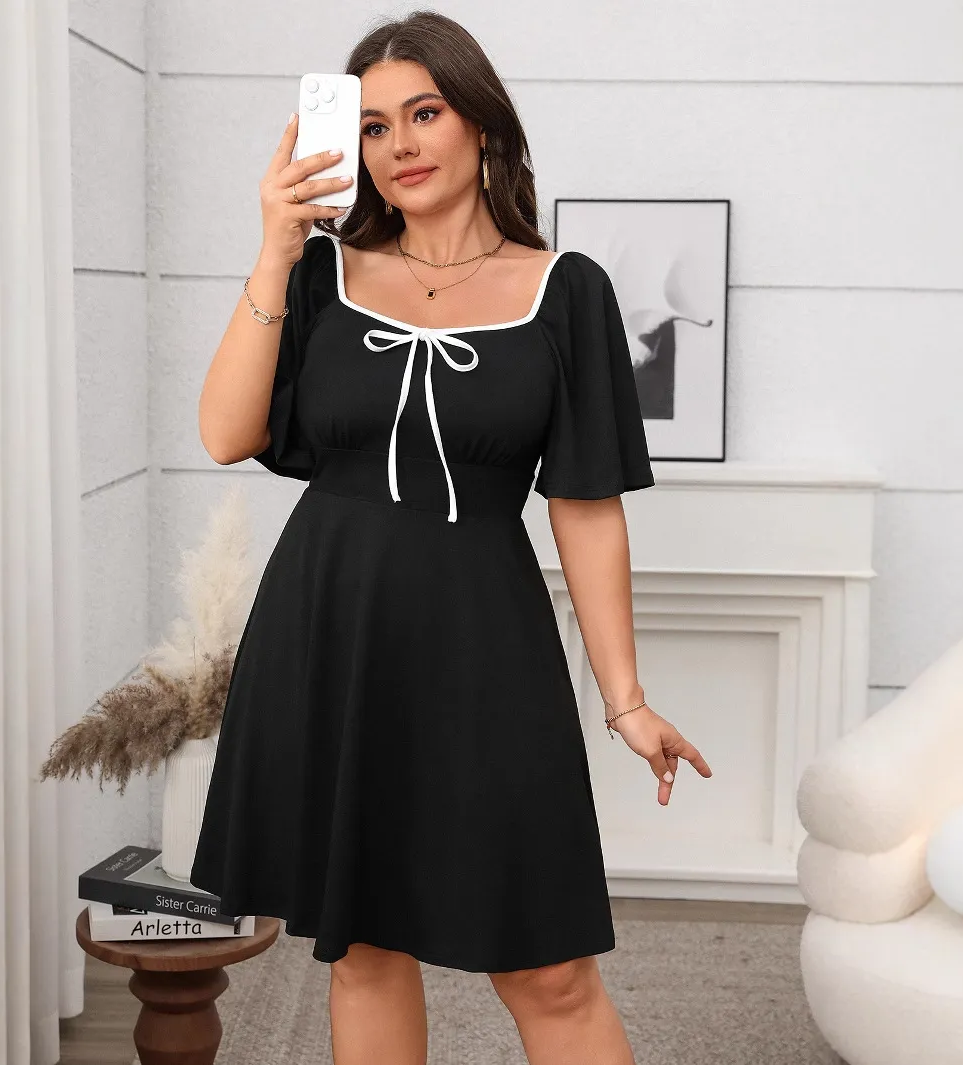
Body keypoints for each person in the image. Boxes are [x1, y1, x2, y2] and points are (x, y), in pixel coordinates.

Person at [190, 11, 712, 1065]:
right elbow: (225, 435)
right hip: (329, 627)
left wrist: (626, 699)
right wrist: (276, 249)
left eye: (424, 113)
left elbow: (585, 504)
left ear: (481, 123)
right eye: (374, 126)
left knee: (551, 969)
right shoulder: (320, 277)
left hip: (486, 642)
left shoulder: (567, 289)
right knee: (365, 947)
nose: (400, 145)